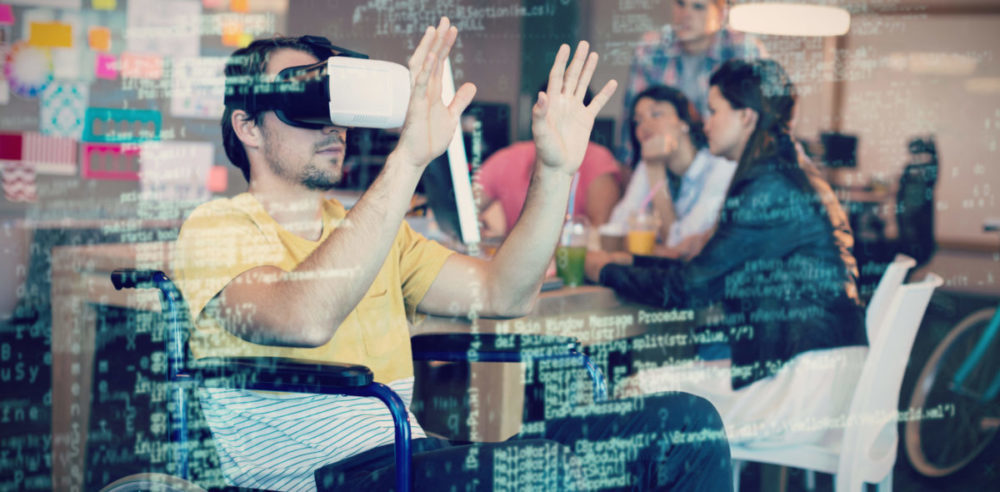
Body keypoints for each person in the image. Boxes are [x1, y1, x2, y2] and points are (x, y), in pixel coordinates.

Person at [174, 18, 731, 490]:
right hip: (324, 476)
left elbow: (505, 293)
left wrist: (557, 168)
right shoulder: (217, 227)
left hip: (409, 455)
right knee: (543, 470)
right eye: (306, 100)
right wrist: (408, 158)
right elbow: (305, 316)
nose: (332, 125)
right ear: (247, 126)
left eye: (334, 101)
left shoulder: (371, 231)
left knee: (683, 426)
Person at [586, 58, 869, 446]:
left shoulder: (768, 186)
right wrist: (629, 262)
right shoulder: (786, 175)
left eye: (715, 110)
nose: (706, 122)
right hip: (813, 370)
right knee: (657, 382)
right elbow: (702, 267)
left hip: (797, 390)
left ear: (747, 117)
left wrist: (601, 269)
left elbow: (690, 288)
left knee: (640, 390)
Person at [620, 0, 766, 164]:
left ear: (721, 14)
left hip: (728, 164)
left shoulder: (744, 49)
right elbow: (632, 124)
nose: (686, 14)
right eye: (680, 4)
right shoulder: (651, 49)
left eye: (698, 6)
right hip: (664, 162)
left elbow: (762, 122)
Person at [606, 85, 734, 260]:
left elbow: (678, 245)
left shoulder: (719, 165)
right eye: (638, 120)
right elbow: (616, 228)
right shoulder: (648, 164)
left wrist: (655, 171)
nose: (645, 126)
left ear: (683, 122)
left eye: (656, 114)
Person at [474, 86, 622, 237]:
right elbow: (465, 208)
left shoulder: (596, 160)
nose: (556, 121)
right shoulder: (509, 158)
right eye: (549, 112)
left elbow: (600, 236)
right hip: (519, 258)